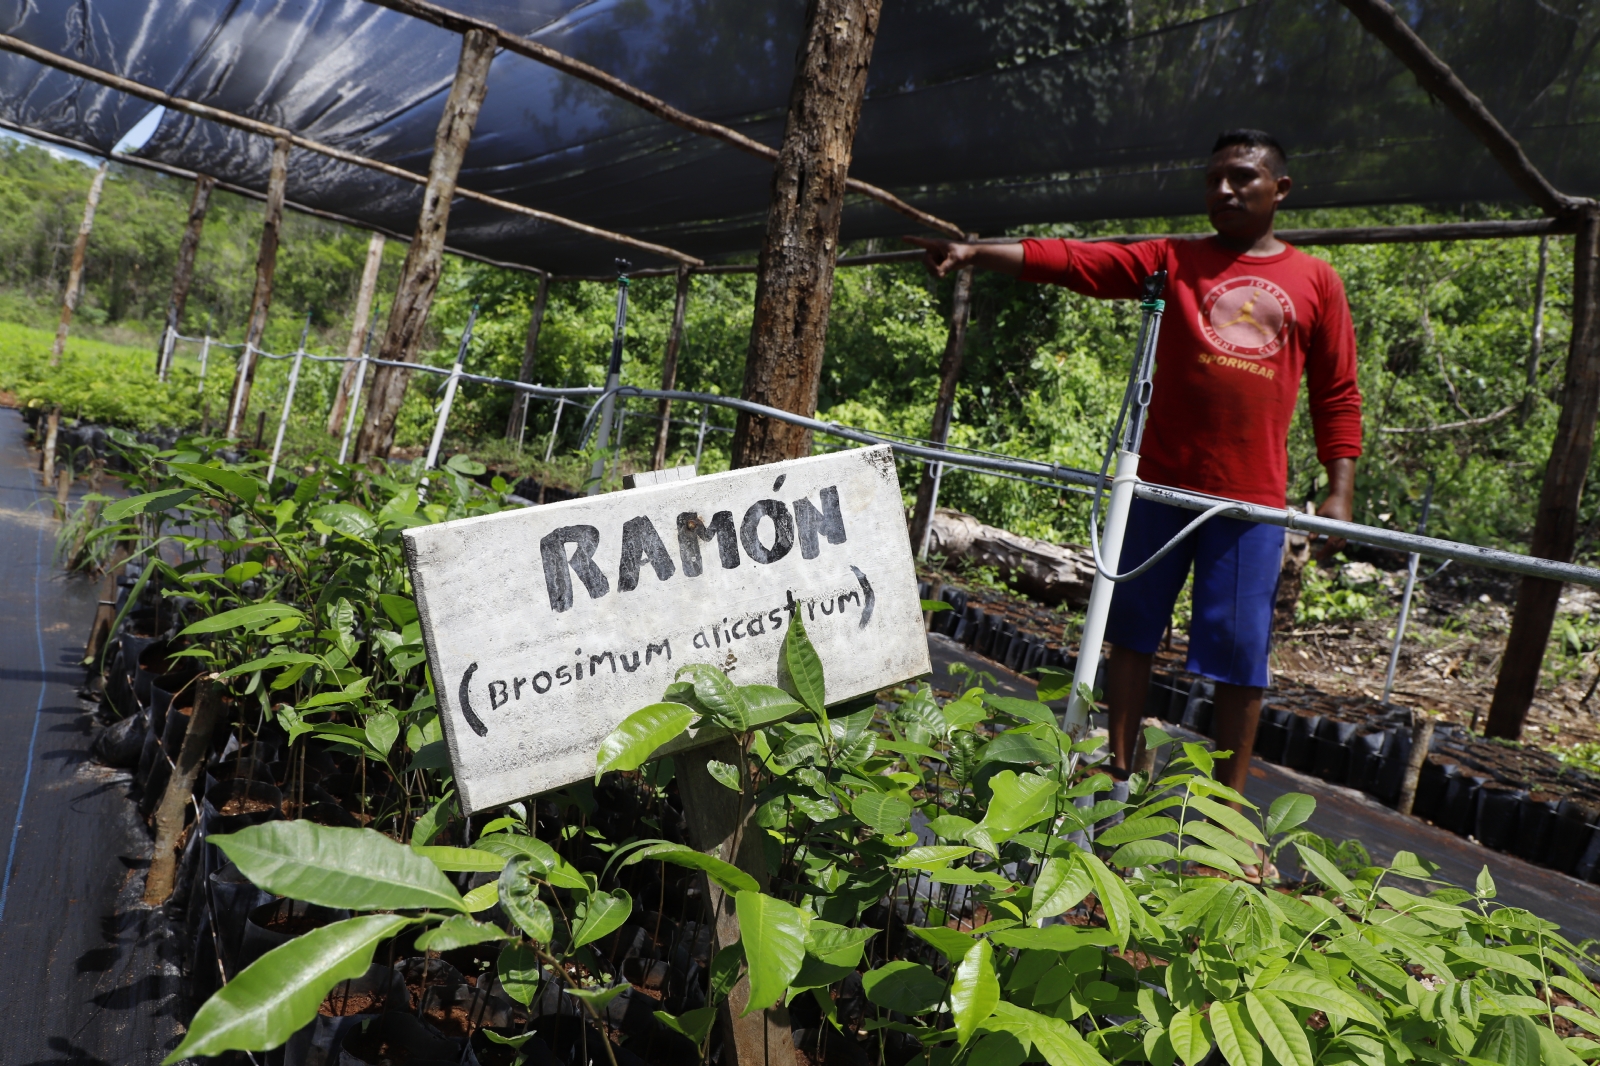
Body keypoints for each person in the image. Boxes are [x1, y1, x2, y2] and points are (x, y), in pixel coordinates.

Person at [908, 129, 1362, 800]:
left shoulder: (1315, 281)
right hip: (1156, 486)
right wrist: (976, 251)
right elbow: (1077, 260)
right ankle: (1120, 770)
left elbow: (1337, 392)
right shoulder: (1172, 260)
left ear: (1281, 189)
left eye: (1241, 177)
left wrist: (1340, 493)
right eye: (1214, 180)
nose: (1224, 190)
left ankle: (1227, 811)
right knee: (1131, 631)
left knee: (1240, 658)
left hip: (1249, 503)